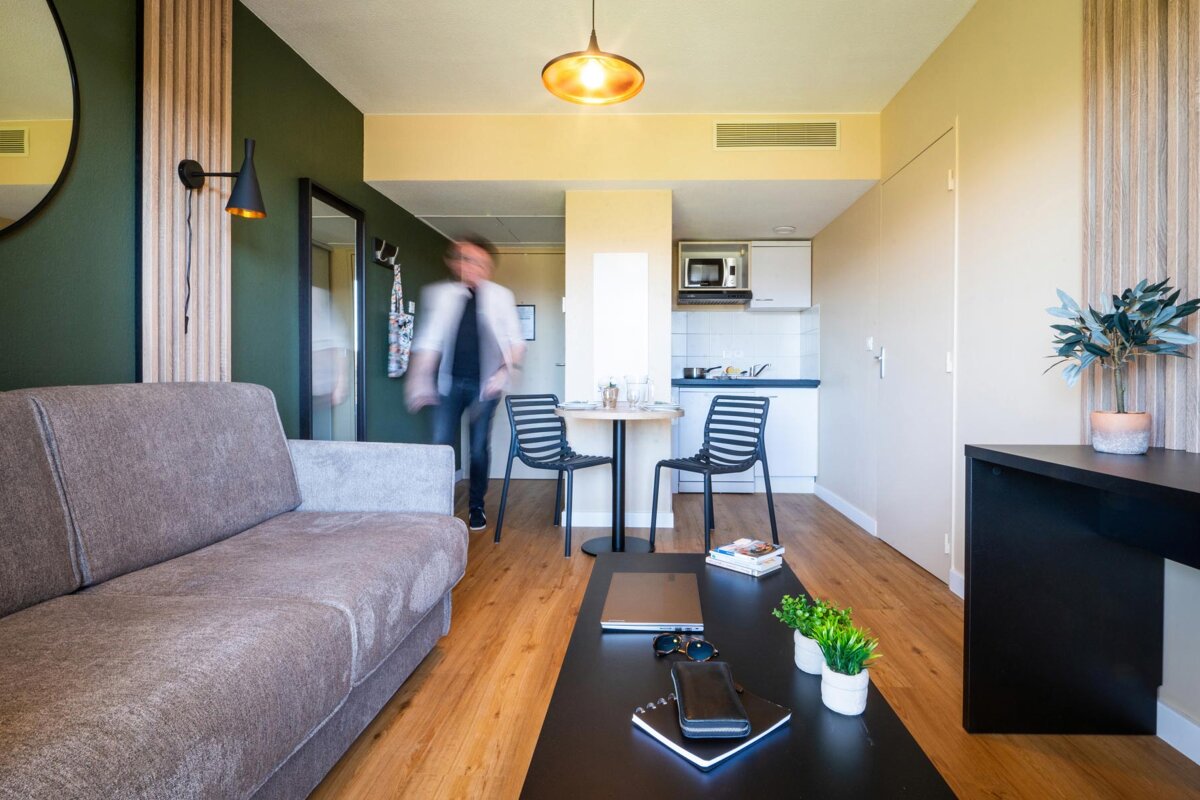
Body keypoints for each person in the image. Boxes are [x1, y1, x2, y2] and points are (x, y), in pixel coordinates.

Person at [406, 237, 525, 531]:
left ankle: (476, 506)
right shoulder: (441, 295)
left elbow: (516, 342)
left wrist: (503, 374)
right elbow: (429, 340)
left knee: (478, 449)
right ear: (455, 262)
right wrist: (419, 380)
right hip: (448, 384)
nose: (472, 266)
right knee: (439, 445)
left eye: (479, 262)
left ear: (488, 267)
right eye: (466, 259)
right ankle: (438, 507)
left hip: (485, 384)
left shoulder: (501, 296)